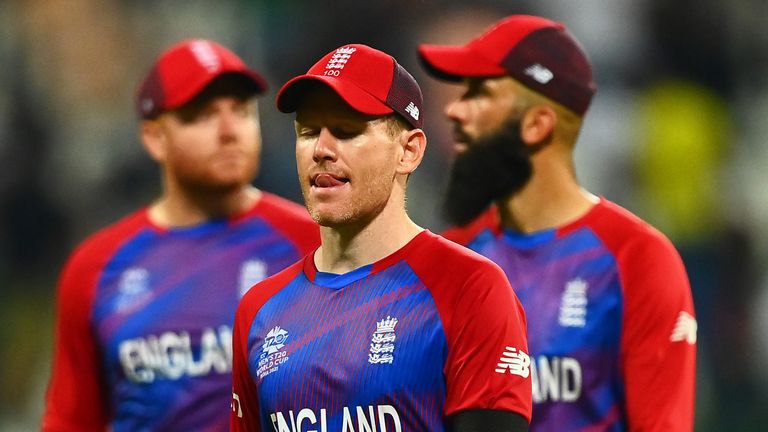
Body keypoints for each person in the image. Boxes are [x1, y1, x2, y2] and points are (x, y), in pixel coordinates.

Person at [230, 44, 532, 432]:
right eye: (308, 132)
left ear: (408, 151)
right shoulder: (258, 310)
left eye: (346, 131)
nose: (321, 149)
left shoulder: (469, 288)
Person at [417, 14, 697, 431]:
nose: (454, 110)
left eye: (479, 92)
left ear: (536, 124)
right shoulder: (449, 260)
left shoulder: (634, 259)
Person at [42, 39, 320, 431]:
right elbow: (71, 419)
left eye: (241, 111)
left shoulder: (313, 244)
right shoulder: (96, 267)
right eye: (202, 116)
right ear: (155, 137)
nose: (229, 131)